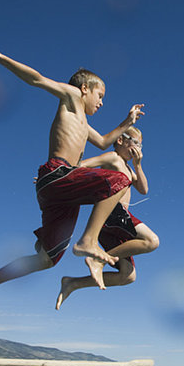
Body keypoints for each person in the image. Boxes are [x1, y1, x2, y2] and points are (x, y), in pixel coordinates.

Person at [0, 42, 144, 315]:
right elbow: (36, 79)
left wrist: (126, 123)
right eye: (100, 95)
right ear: (84, 89)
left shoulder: (84, 122)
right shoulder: (71, 97)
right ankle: (88, 241)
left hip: (61, 189)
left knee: (46, 259)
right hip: (58, 174)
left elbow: (105, 142)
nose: (102, 102)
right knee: (119, 178)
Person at [56, 126, 159, 310]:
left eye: (141, 146)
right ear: (120, 140)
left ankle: (73, 283)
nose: (137, 149)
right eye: (134, 143)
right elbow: (83, 165)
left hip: (118, 222)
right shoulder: (114, 158)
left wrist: (138, 165)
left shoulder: (129, 168)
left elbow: (144, 190)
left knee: (127, 276)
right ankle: (99, 260)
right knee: (151, 241)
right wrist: (57, 176)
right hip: (113, 214)